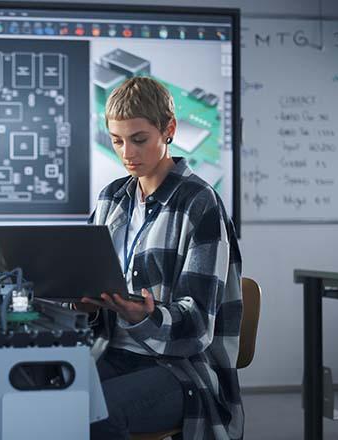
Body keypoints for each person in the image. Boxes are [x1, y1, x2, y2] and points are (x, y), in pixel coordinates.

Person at [80, 76, 243, 440]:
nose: (127, 153)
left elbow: (198, 325)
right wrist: (82, 298)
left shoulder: (200, 204)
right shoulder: (111, 199)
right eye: (117, 141)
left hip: (180, 369)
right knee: (46, 400)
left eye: (139, 140)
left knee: (93, 416)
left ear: (168, 130)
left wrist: (146, 316)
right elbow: (88, 278)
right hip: (112, 352)